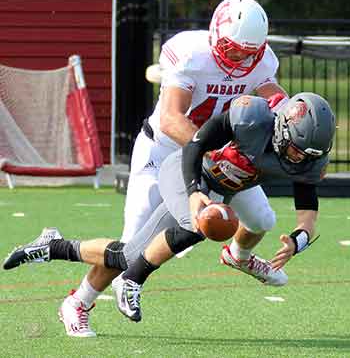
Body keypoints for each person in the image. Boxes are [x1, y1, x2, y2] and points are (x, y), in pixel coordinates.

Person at [4, 92, 335, 325]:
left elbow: (309, 211)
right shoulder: (251, 117)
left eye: (308, 154)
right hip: (185, 171)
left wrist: (297, 240)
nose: (300, 159)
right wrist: (193, 193)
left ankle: (51, 245)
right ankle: (133, 282)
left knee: (126, 254)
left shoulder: (306, 160)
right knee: (199, 223)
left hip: (219, 188)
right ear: (281, 129)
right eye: (296, 150)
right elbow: (196, 144)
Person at [63, 0, 287, 337]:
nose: (241, 59)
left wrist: (291, 111)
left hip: (217, 155)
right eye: (234, 49)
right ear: (215, 35)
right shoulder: (190, 53)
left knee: (261, 219)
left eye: (249, 52)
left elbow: (274, 96)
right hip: (164, 151)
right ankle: (78, 302)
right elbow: (170, 119)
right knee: (129, 247)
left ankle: (237, 256)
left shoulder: (262, 61)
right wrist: (210, 153)